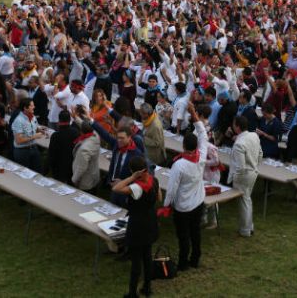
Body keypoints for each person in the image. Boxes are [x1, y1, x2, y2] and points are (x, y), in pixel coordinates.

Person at [112, 156, 160, 298]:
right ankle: (147, 287)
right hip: (150, 220)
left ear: (133, 171)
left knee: (136, 261)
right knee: (147, 256)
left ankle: (133, 293)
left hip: (138, 225)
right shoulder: (154, 180)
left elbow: (116, 188)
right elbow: (159, 198)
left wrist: (132, 178)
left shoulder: (136, 187)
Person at [162, 131, 205, 271]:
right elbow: (203, 135)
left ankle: (183, 262)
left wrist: (166, 205)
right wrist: (197, 122)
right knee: (195, 232)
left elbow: (172, 189)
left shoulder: (179, 165)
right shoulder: (201, 156)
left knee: (184, 236)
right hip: (198, 202)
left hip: (184, 206)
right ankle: (195, 258)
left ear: (183, 145)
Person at [227, 115, 263, 237]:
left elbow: (241, 167)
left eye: (234, 124)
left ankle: (245, 229)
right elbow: (260, 153)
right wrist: (256, 166)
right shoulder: (254, 136)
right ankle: (249, 226)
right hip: (253, 172)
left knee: (244, 202)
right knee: (247, 200)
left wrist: (235, 178)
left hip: (244, 175)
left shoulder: (239, 143)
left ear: (237, 127)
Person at [11, 98, 46, 172]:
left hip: (34, 148)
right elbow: (19, 140)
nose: (34, 107)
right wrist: (34, 136)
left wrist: (40, 130)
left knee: (38, 171)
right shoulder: (18, 121)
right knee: (24, 173)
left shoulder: (33, 117)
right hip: (22, 151)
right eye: (31, 106)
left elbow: (35, 128)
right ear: (25, 108)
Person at [48, 110, 78, 184]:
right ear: (70, 119)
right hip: (72, 164)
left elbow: (51, 154)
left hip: (58, 166)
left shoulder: (55, 135)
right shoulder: (75, 132)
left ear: (59, 120)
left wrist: (49, 167)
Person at [72, 120, 101, 192]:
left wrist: (74, 179)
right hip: (94, 173)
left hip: (85, 180)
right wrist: (76, 118)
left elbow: (81, 168)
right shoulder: (96, 136)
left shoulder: (84, 149)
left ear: (81, 131)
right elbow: (85, 125)